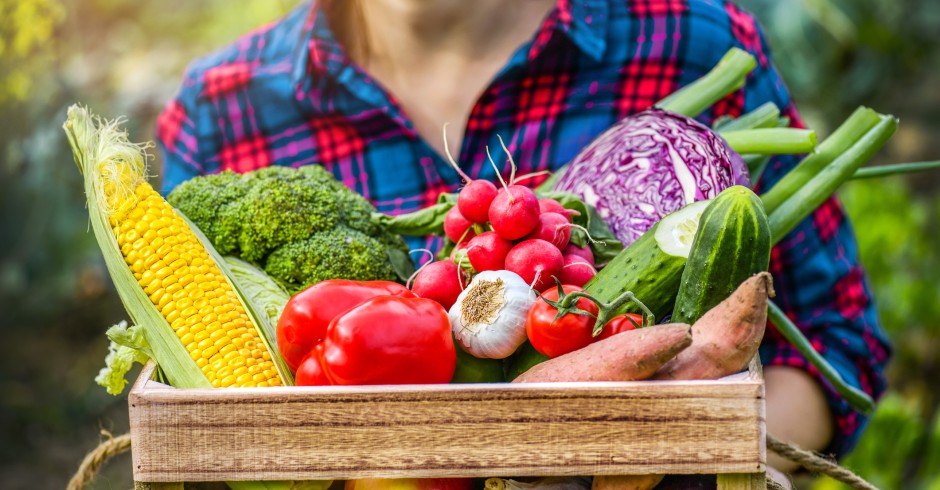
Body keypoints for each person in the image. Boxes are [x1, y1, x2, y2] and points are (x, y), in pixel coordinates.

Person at [156, 0, 890, 485]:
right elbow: (178, 387)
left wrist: (671, 457)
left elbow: (835, 344)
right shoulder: (221, 111)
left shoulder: (691, 44)